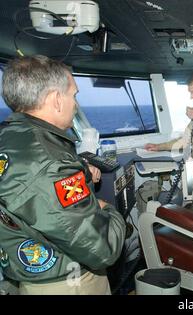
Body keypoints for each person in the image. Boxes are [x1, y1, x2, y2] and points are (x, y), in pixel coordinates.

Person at [0, 55, 126, 295]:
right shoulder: (50, 162)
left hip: (29, 275)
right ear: (57, 100)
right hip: (68, 283)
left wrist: (82, 177)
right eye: (74, 95)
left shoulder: (11, 137)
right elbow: (102, 249)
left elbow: (34, 191)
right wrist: (107, 208)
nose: (76, 104)